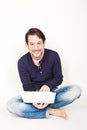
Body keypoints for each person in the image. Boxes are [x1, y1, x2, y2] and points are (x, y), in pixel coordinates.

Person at [7, 28, 81, 119]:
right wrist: (35, 100)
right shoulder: (22, 62)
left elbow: (58, 78)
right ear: (27, 45)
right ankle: (50, 111)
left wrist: (48, 86)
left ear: (44, 43)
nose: (36, 48)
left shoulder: (53, 55)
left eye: (39, 43)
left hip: (51, 93)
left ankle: (35, 110)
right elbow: (27, 85)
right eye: (32, 44)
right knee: (11, 105)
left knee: (76, 90)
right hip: (32, 94)